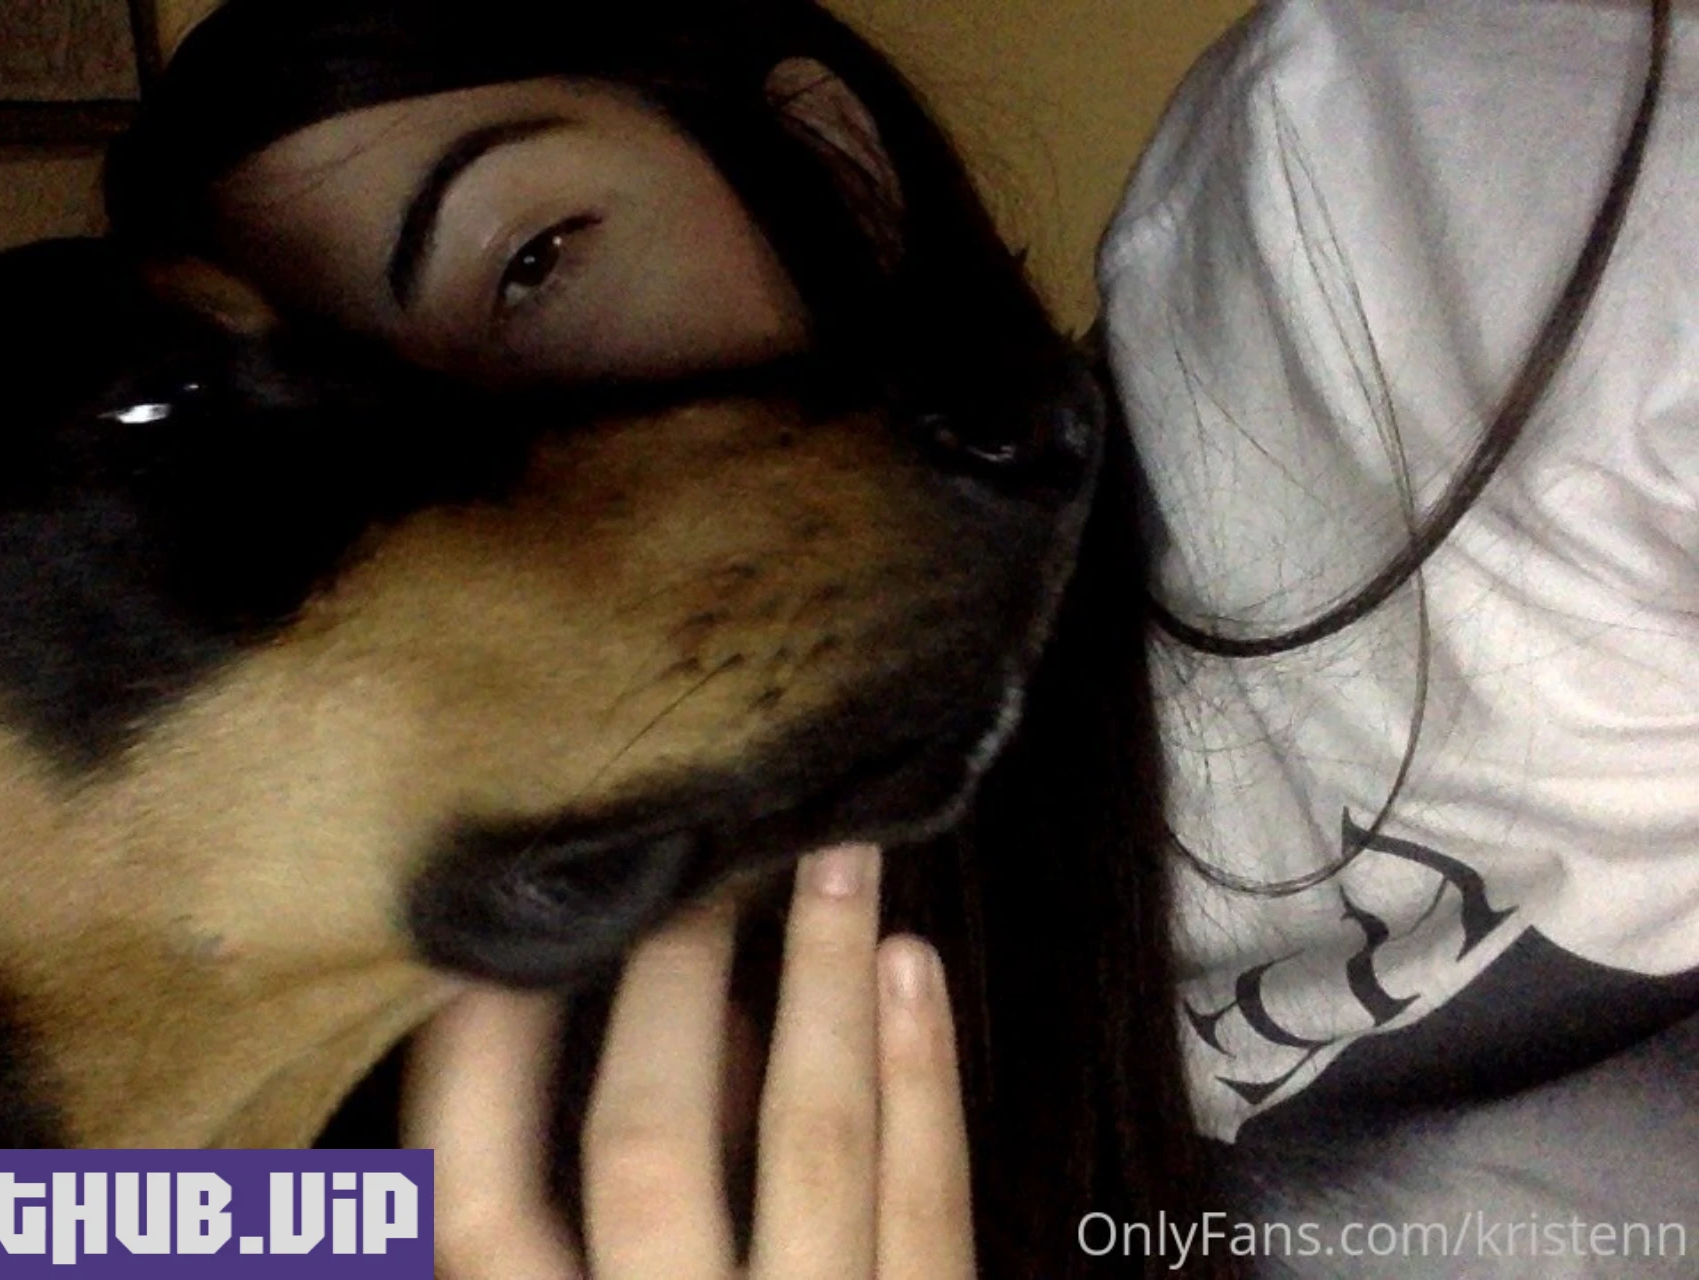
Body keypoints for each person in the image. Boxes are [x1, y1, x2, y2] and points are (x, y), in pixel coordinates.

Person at [105, 0, 1697, 1275]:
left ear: (833, 170)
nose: (515, 521)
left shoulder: (1369, 275)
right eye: (342, 480)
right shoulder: (463, 1152)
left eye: (532, 266)